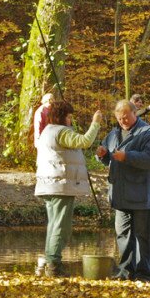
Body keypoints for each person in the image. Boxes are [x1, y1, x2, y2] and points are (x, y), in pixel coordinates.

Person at [34, 101, 103, 277]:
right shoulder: (61, 132)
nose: (71, 120)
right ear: (62, 116)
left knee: (54, 224)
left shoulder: (46, 132)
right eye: (69, 116)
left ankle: (51, 261)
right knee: (61, 226)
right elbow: (85, 141)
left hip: (48, 184)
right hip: (60, 185)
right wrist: (96, 123)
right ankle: (54, 265)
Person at [96, 100, 150, 281]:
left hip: (141, 194)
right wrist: (102, 155)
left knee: (143, 237)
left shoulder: (147, 133)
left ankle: (144, 274)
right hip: (120, 193)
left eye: (125, 117)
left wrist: (127, 156)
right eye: (119, 118)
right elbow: (109, 158)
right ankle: (125, 271)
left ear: (135, 113)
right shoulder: (113, 134)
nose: (122, 121)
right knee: (123, 234)